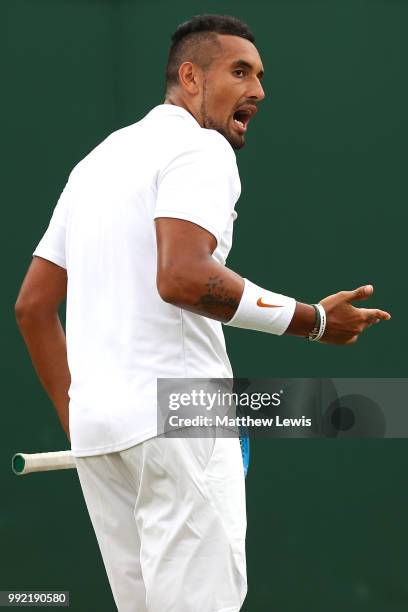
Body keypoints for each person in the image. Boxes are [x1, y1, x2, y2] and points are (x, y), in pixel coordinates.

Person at [14, 13, 391, 612]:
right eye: (240, 72)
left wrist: (82, 418)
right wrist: (313, 321)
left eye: (261, 76)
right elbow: (183, 277)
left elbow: (32, 308)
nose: (259, 91)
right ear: (190, 78)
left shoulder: (96, 163)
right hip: (181, 418)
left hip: (102, 434)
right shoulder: (202, 147)